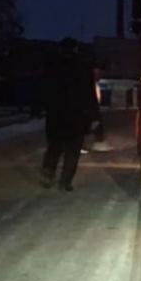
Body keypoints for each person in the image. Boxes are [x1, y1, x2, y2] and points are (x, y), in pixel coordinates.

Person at [40, 37, 100, 191]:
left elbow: (42, 89)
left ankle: (48, 173)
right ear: (76, 50)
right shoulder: (83, 68)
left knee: (54, 148)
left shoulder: (51, 67)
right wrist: (95, 117)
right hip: (76, 118)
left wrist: (39, 107)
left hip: (55, 116)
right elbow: (90, 95)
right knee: (72, 153)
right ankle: (64, 182)